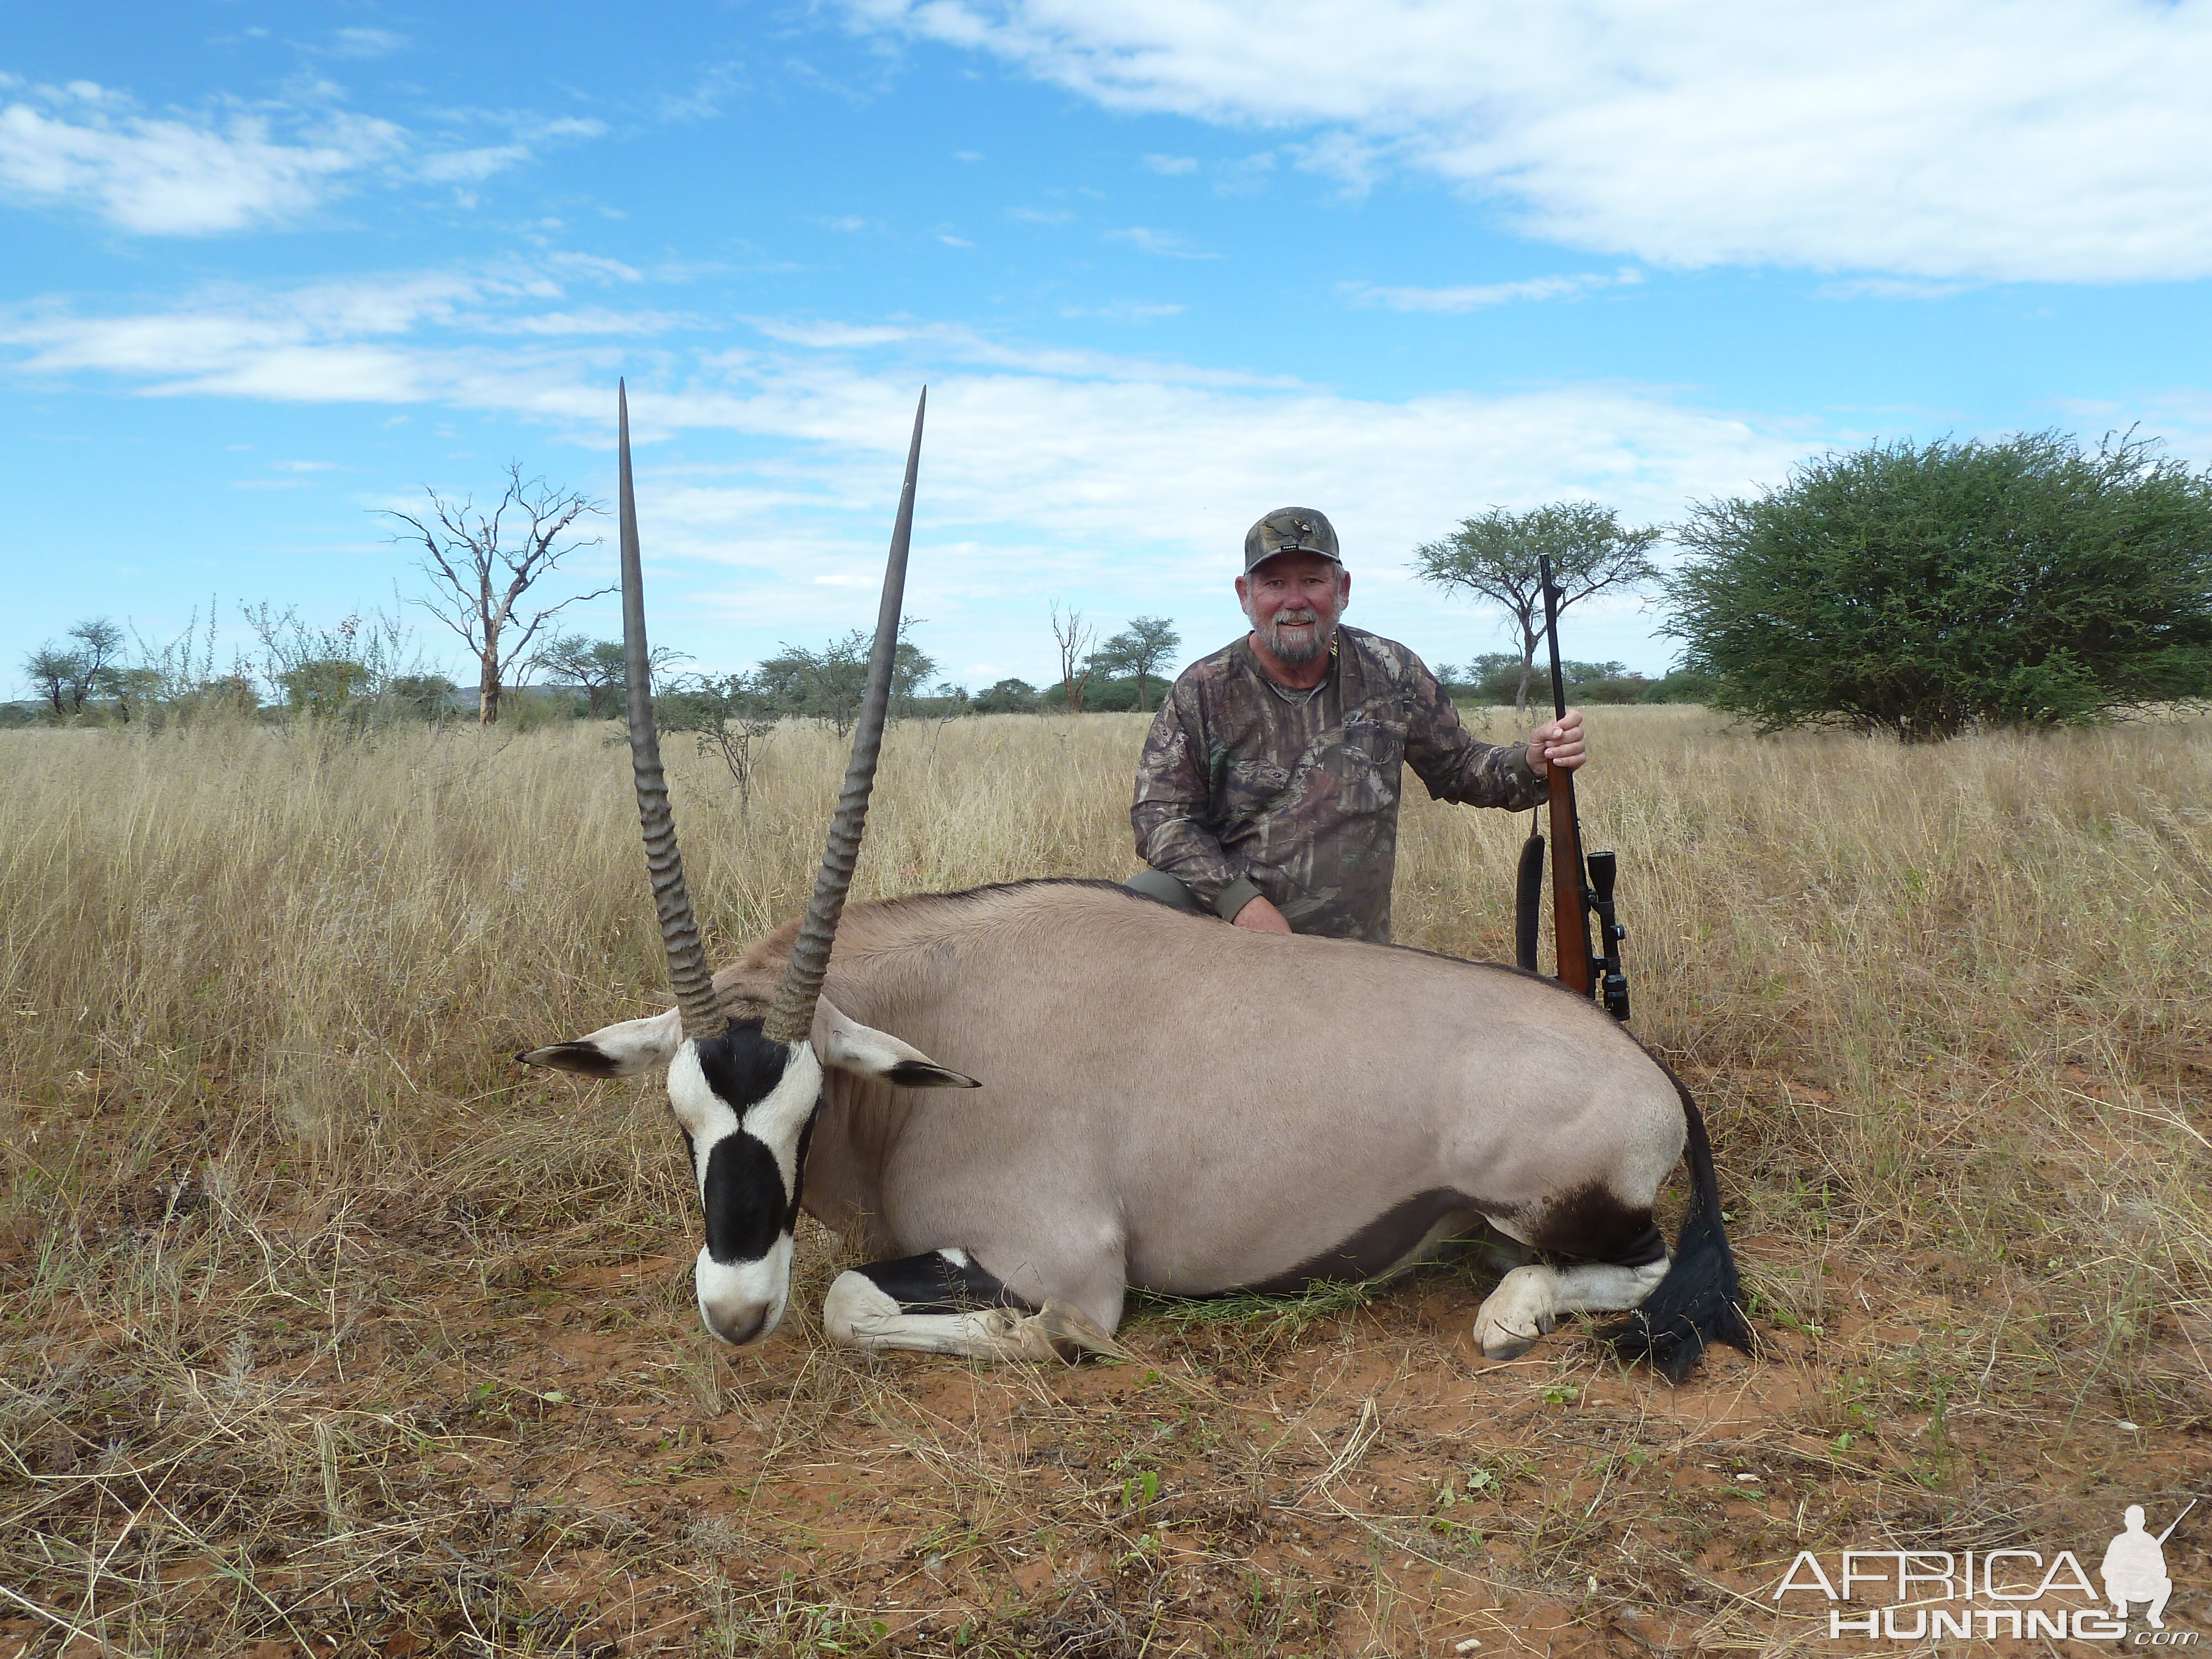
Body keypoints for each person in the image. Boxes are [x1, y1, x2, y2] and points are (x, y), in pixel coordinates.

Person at [1129, 507, 1585, 945]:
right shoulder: (1203, 687)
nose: (1295, 601)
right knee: (1139, 902)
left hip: (1354, 954)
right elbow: (1162, 819)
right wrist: (1243, 906)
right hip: (1233, 936)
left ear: (1342, 588)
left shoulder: (1392, 670)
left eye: (1313, 581)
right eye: (1274, 583)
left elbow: (1460, 766)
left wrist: (1531, 762)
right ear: (1245, 594)